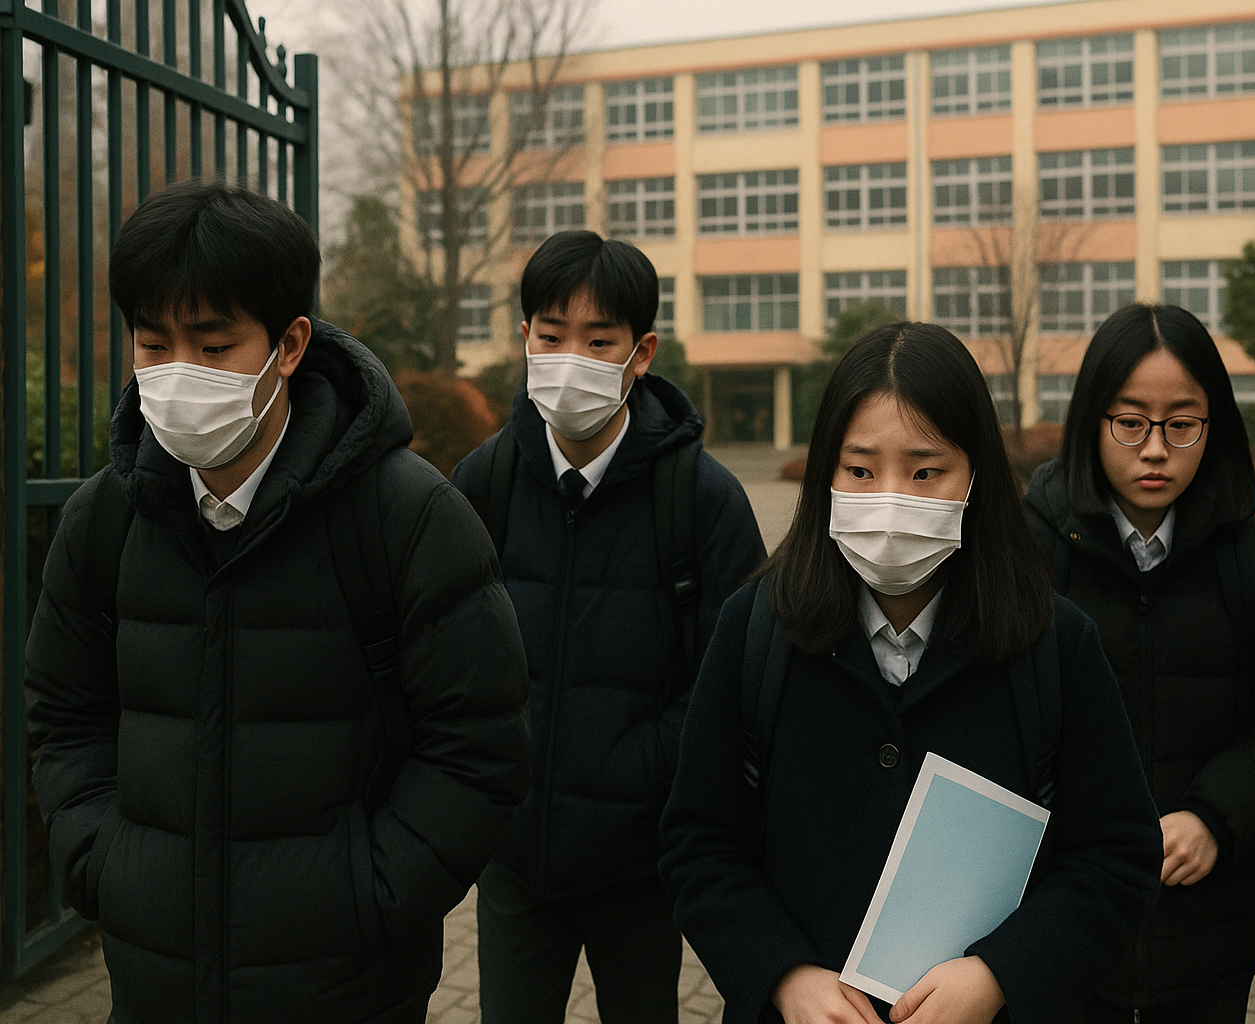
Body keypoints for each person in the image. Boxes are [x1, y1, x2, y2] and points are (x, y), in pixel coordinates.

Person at [24, 179, 531, 1024]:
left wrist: (368, 894)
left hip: (345, 991)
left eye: (214, 346)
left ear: (290, 345)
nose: (178, 374)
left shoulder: (408, 517)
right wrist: (104, 863)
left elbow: (480, 746)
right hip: (154, 987)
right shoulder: (103, 520)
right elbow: (64, 712)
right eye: (153, 345)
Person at [658, 322, 1164, 1024]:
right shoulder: (757, 629)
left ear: (975, 476)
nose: (890, 498)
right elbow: (698, 841)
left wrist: (999, 973)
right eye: (860, 470)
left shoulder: (1054, 644)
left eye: (926, 472)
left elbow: (1117, 856)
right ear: (825, 471)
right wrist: (785, 974)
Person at [452, 230, 766, 1024]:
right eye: (551, 337)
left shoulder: (702, 500)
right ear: (524, 338)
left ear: (641, 351)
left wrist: (647, 772)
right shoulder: (480, 483)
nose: (570, 361)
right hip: (514, 859)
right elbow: (442, 660)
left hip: (642, 863)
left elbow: (736, 680)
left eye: (599, 342)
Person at [1024, 303, 1255, 1023]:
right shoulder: (1027, 555)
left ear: (1215, 424)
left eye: (1182, 422)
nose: (1155, 449)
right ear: (1090, 421)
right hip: (1055, 926)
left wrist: (1215, 816)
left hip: (1206, 942)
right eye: (1130, 420)